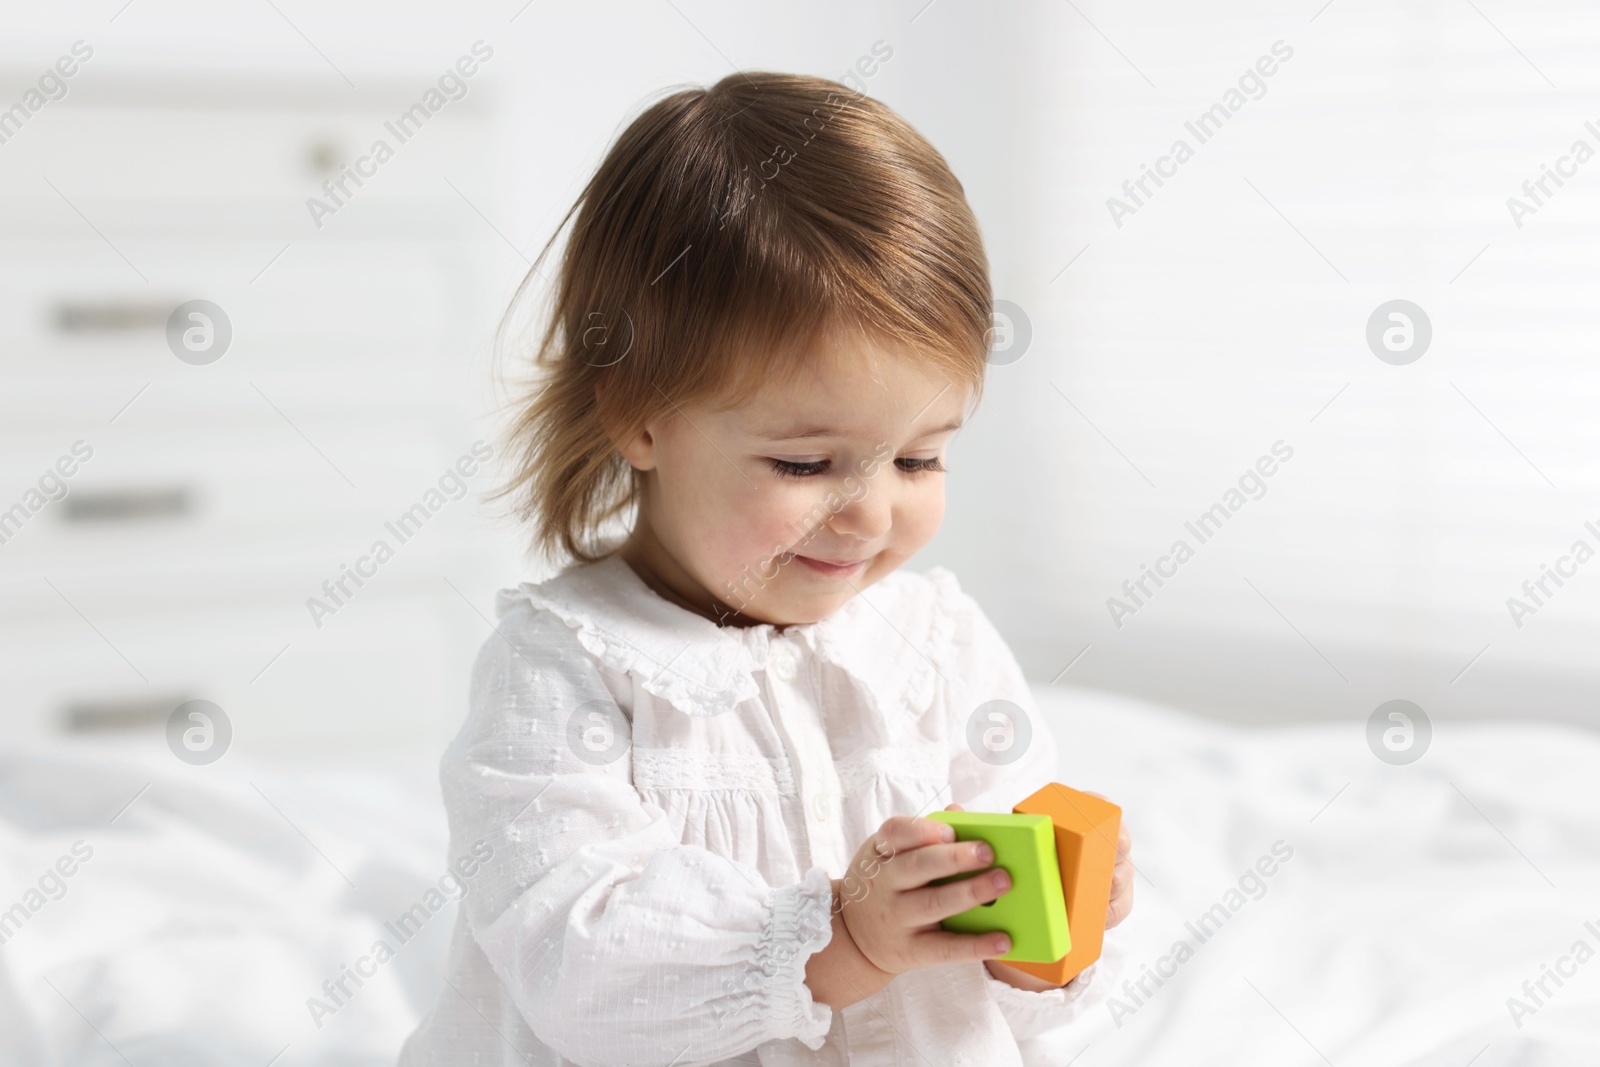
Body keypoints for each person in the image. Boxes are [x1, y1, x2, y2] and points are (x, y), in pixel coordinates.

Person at [400, 69, 1133, 1066]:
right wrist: (839, 937)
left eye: (920, 456)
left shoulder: (936, 646)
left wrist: (1047, 933)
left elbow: (1032, 980)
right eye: (803, 463)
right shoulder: (564, 667)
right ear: (638, 413)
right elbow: (581, 965)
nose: (872, 512)